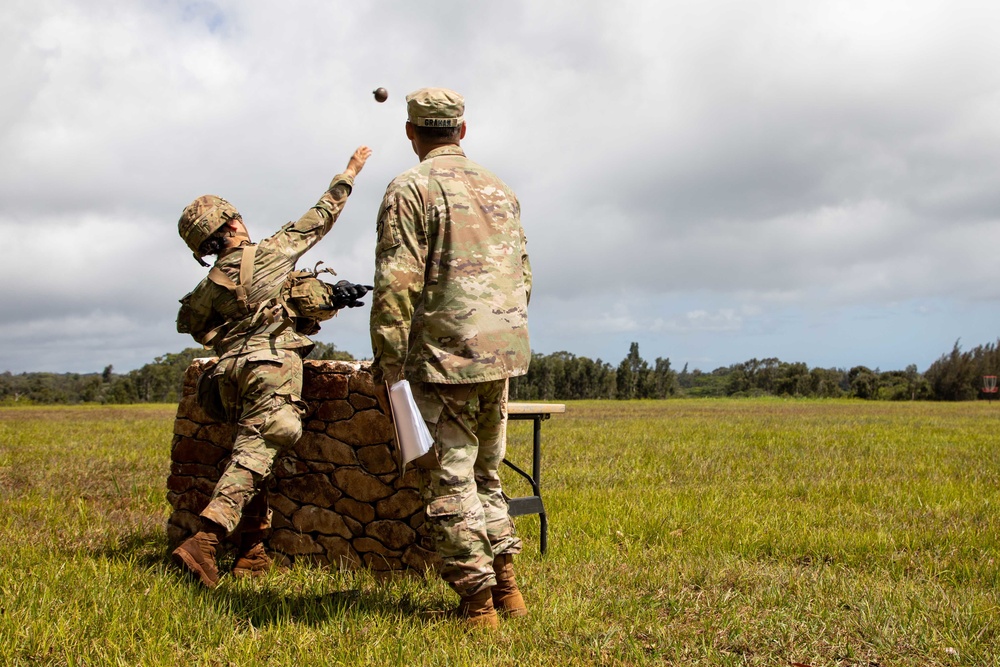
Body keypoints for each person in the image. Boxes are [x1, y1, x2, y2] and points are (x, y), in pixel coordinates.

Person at [172, 146, 372, 589]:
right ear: (234, 224)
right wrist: (351, 171)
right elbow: (322, 215)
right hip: (270, 365)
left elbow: (189, 322)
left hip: (227, 375)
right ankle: (205, 541)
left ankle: (252, 550)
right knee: (263, 444)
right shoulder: (271, 251)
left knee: (249, 452)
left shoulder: (208, 286)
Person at [369, 88, 531, 628]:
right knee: (488, 475)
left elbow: (395, 285)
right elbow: (523, 275)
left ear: (412, 134)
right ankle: (507, 586)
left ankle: (478, 605)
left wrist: (389, 366)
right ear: (462, 130)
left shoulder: (409, 188)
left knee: (452, 480)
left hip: (445, 359)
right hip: (502, 352)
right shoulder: (500, 188)